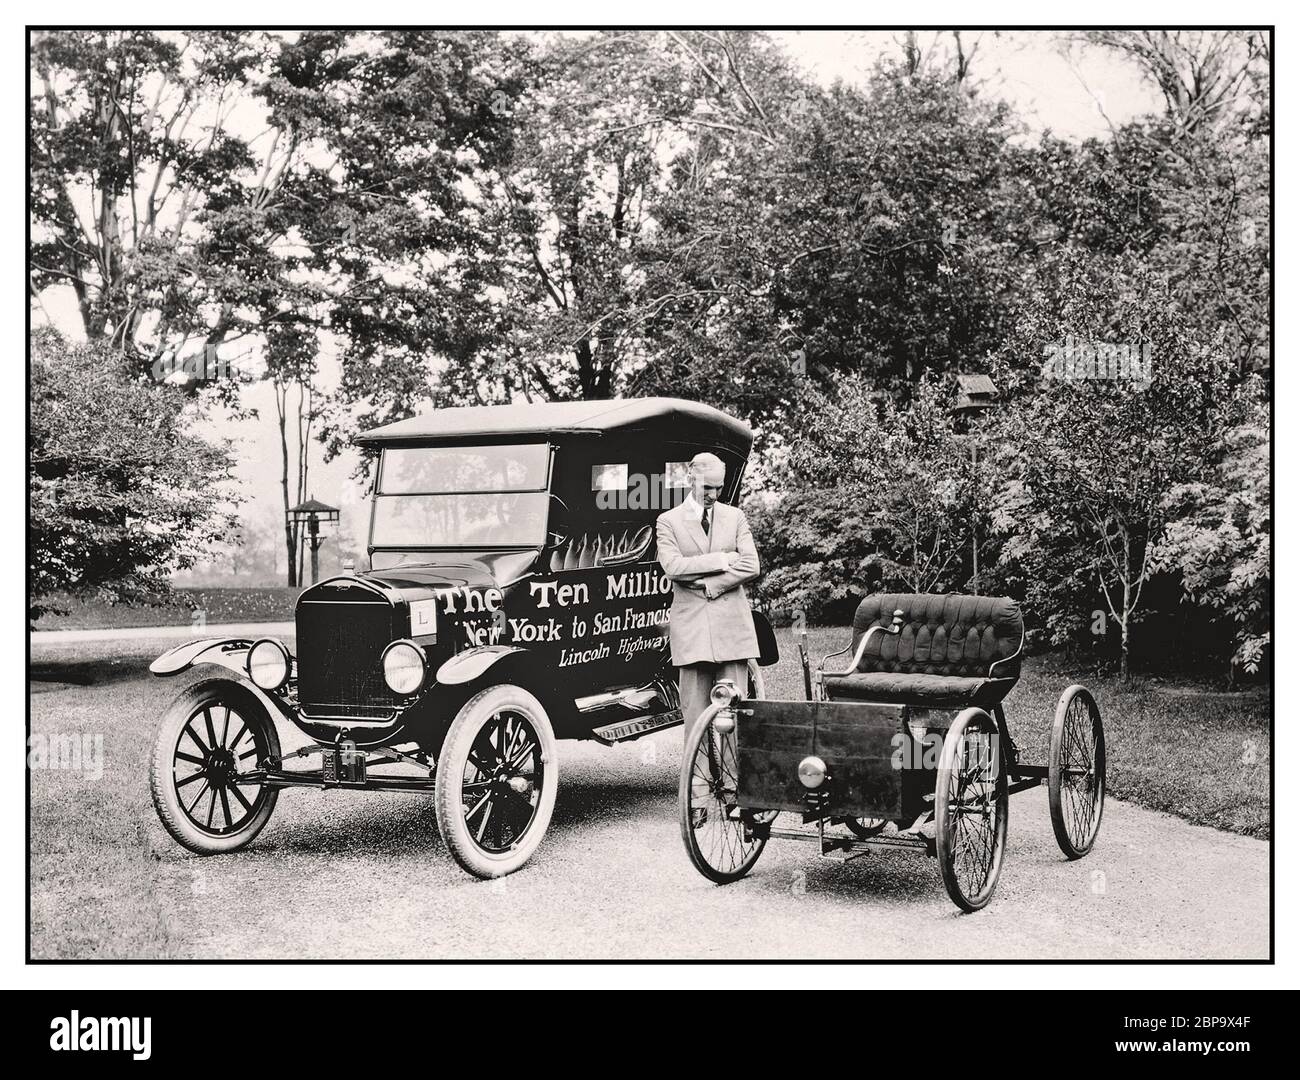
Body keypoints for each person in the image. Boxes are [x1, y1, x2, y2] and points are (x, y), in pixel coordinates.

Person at [655, 451, 760, 748]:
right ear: (690, 479)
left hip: (732, 630)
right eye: (707, 487)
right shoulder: (668, 521)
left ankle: (732, 789)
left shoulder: (735, 516)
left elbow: (752, 565)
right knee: (695, 718)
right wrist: (723, 559)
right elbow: (673, 568)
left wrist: (709, 583)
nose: (714, 494)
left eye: (719, 487)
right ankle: (697, 791)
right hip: (692, 631)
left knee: (733, 715)